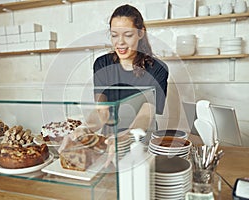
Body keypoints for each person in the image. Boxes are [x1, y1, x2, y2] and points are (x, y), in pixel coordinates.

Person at [59, 4, 169, 165]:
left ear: (140, 33)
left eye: (128, 35)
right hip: (108, 141)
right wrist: (83, 130)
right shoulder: (102, 65)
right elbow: (102, 112)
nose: (120, 42)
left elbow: (147, 114)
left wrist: (126, 136)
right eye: (114, 35)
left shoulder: (158, 69)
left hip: (141, 143)